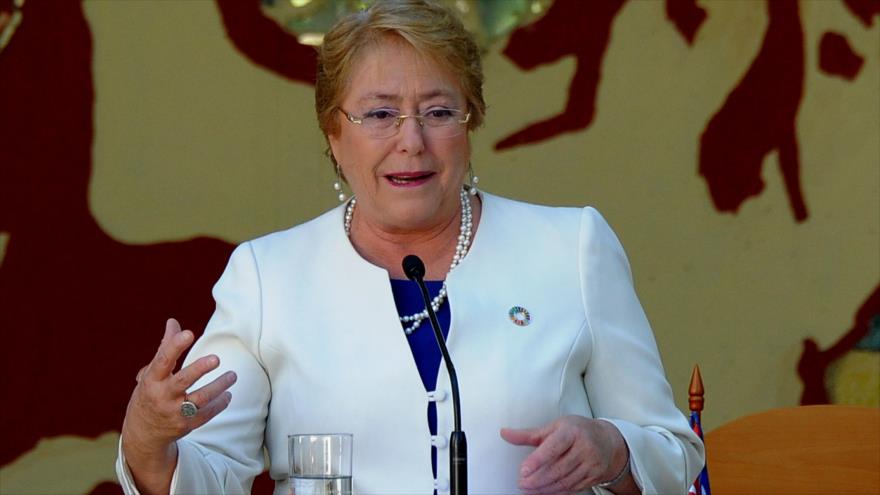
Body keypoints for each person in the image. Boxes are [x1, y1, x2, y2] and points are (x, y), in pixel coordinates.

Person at [117, 0, 705, 493]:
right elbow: (212, 476)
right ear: (334, 135)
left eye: (438, 111)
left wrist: (615, 448)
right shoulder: (267, 276)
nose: (411, 141)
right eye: (379, 114)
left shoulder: (571, 248)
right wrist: (147, 440)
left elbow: (676, 453)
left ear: (469, 126)